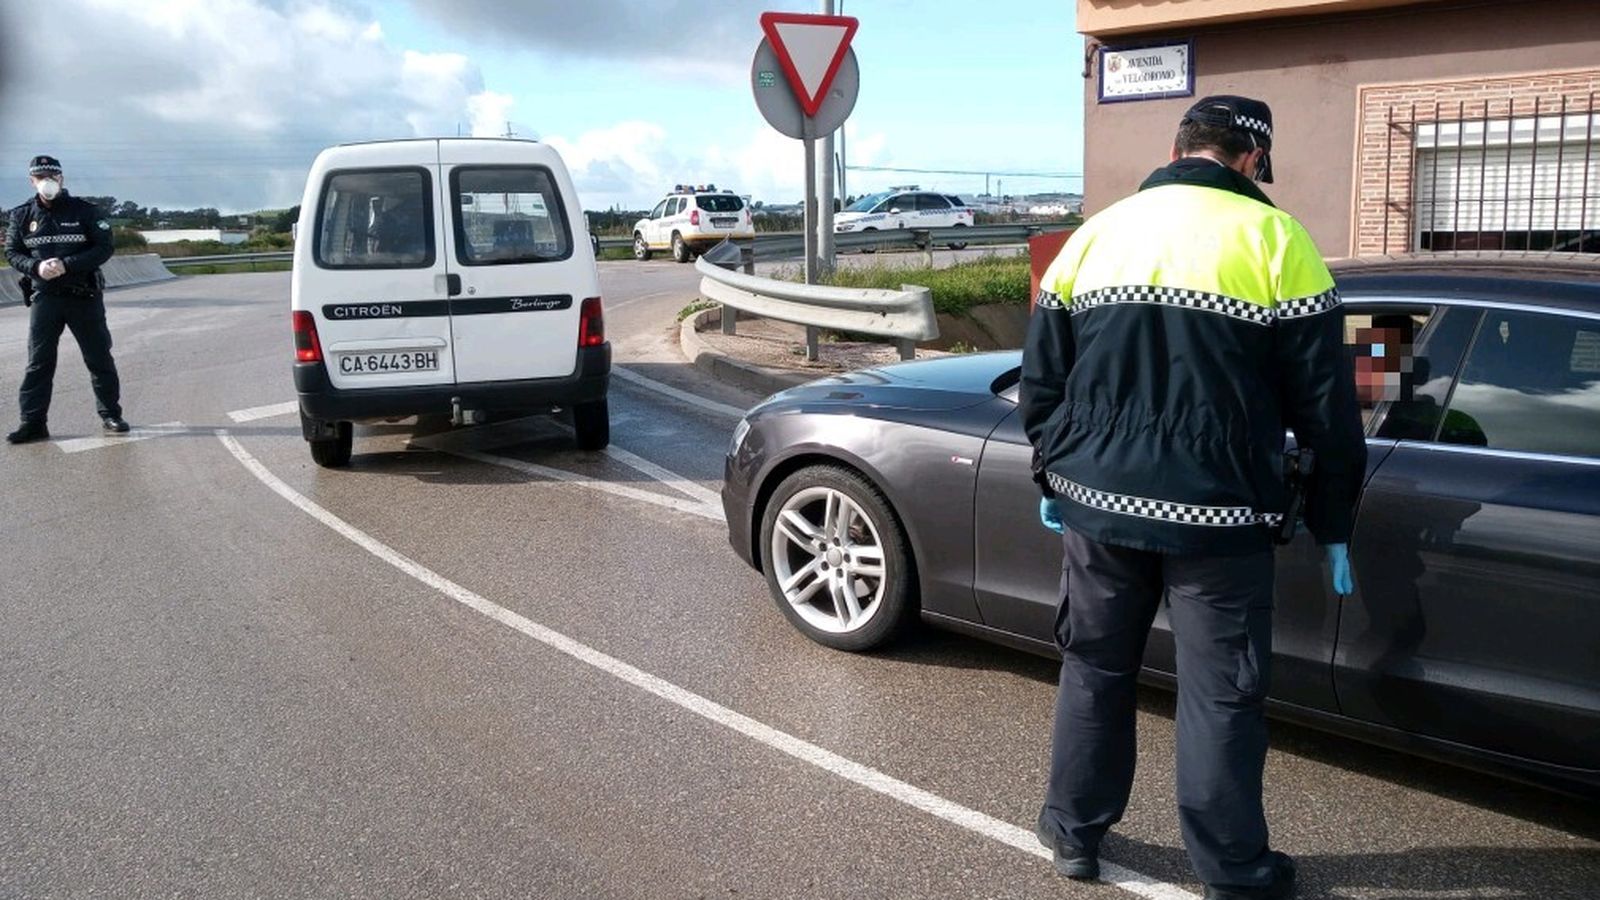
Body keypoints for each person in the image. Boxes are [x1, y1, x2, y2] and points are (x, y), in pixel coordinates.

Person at [1021, 96, 1365, 900]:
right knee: (1221, 695)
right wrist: (1334, 517)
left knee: (1095, 669)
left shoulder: (1098, 233)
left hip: (1096, 504)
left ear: (1178, 147)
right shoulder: (1278, 241)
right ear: (1251, 160)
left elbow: (1043, 378)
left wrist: (1052, 470)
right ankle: (1232, 871)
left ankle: (1072, 834)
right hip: (1221, 514)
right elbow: (1326, 403)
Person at [5, 155, 127, 444]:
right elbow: (12, 252)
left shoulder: (85, 211)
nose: (47, 181)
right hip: (45, 297)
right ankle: (33, 423)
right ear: (32, 181)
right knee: (39, 362)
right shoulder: (21, 215)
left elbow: (104, 247)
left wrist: (68, 264)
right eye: (40, 177)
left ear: (61, 178)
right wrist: (36, 267)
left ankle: (111, 414)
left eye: (52, 176)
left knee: (98, 357)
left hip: (83, 295)